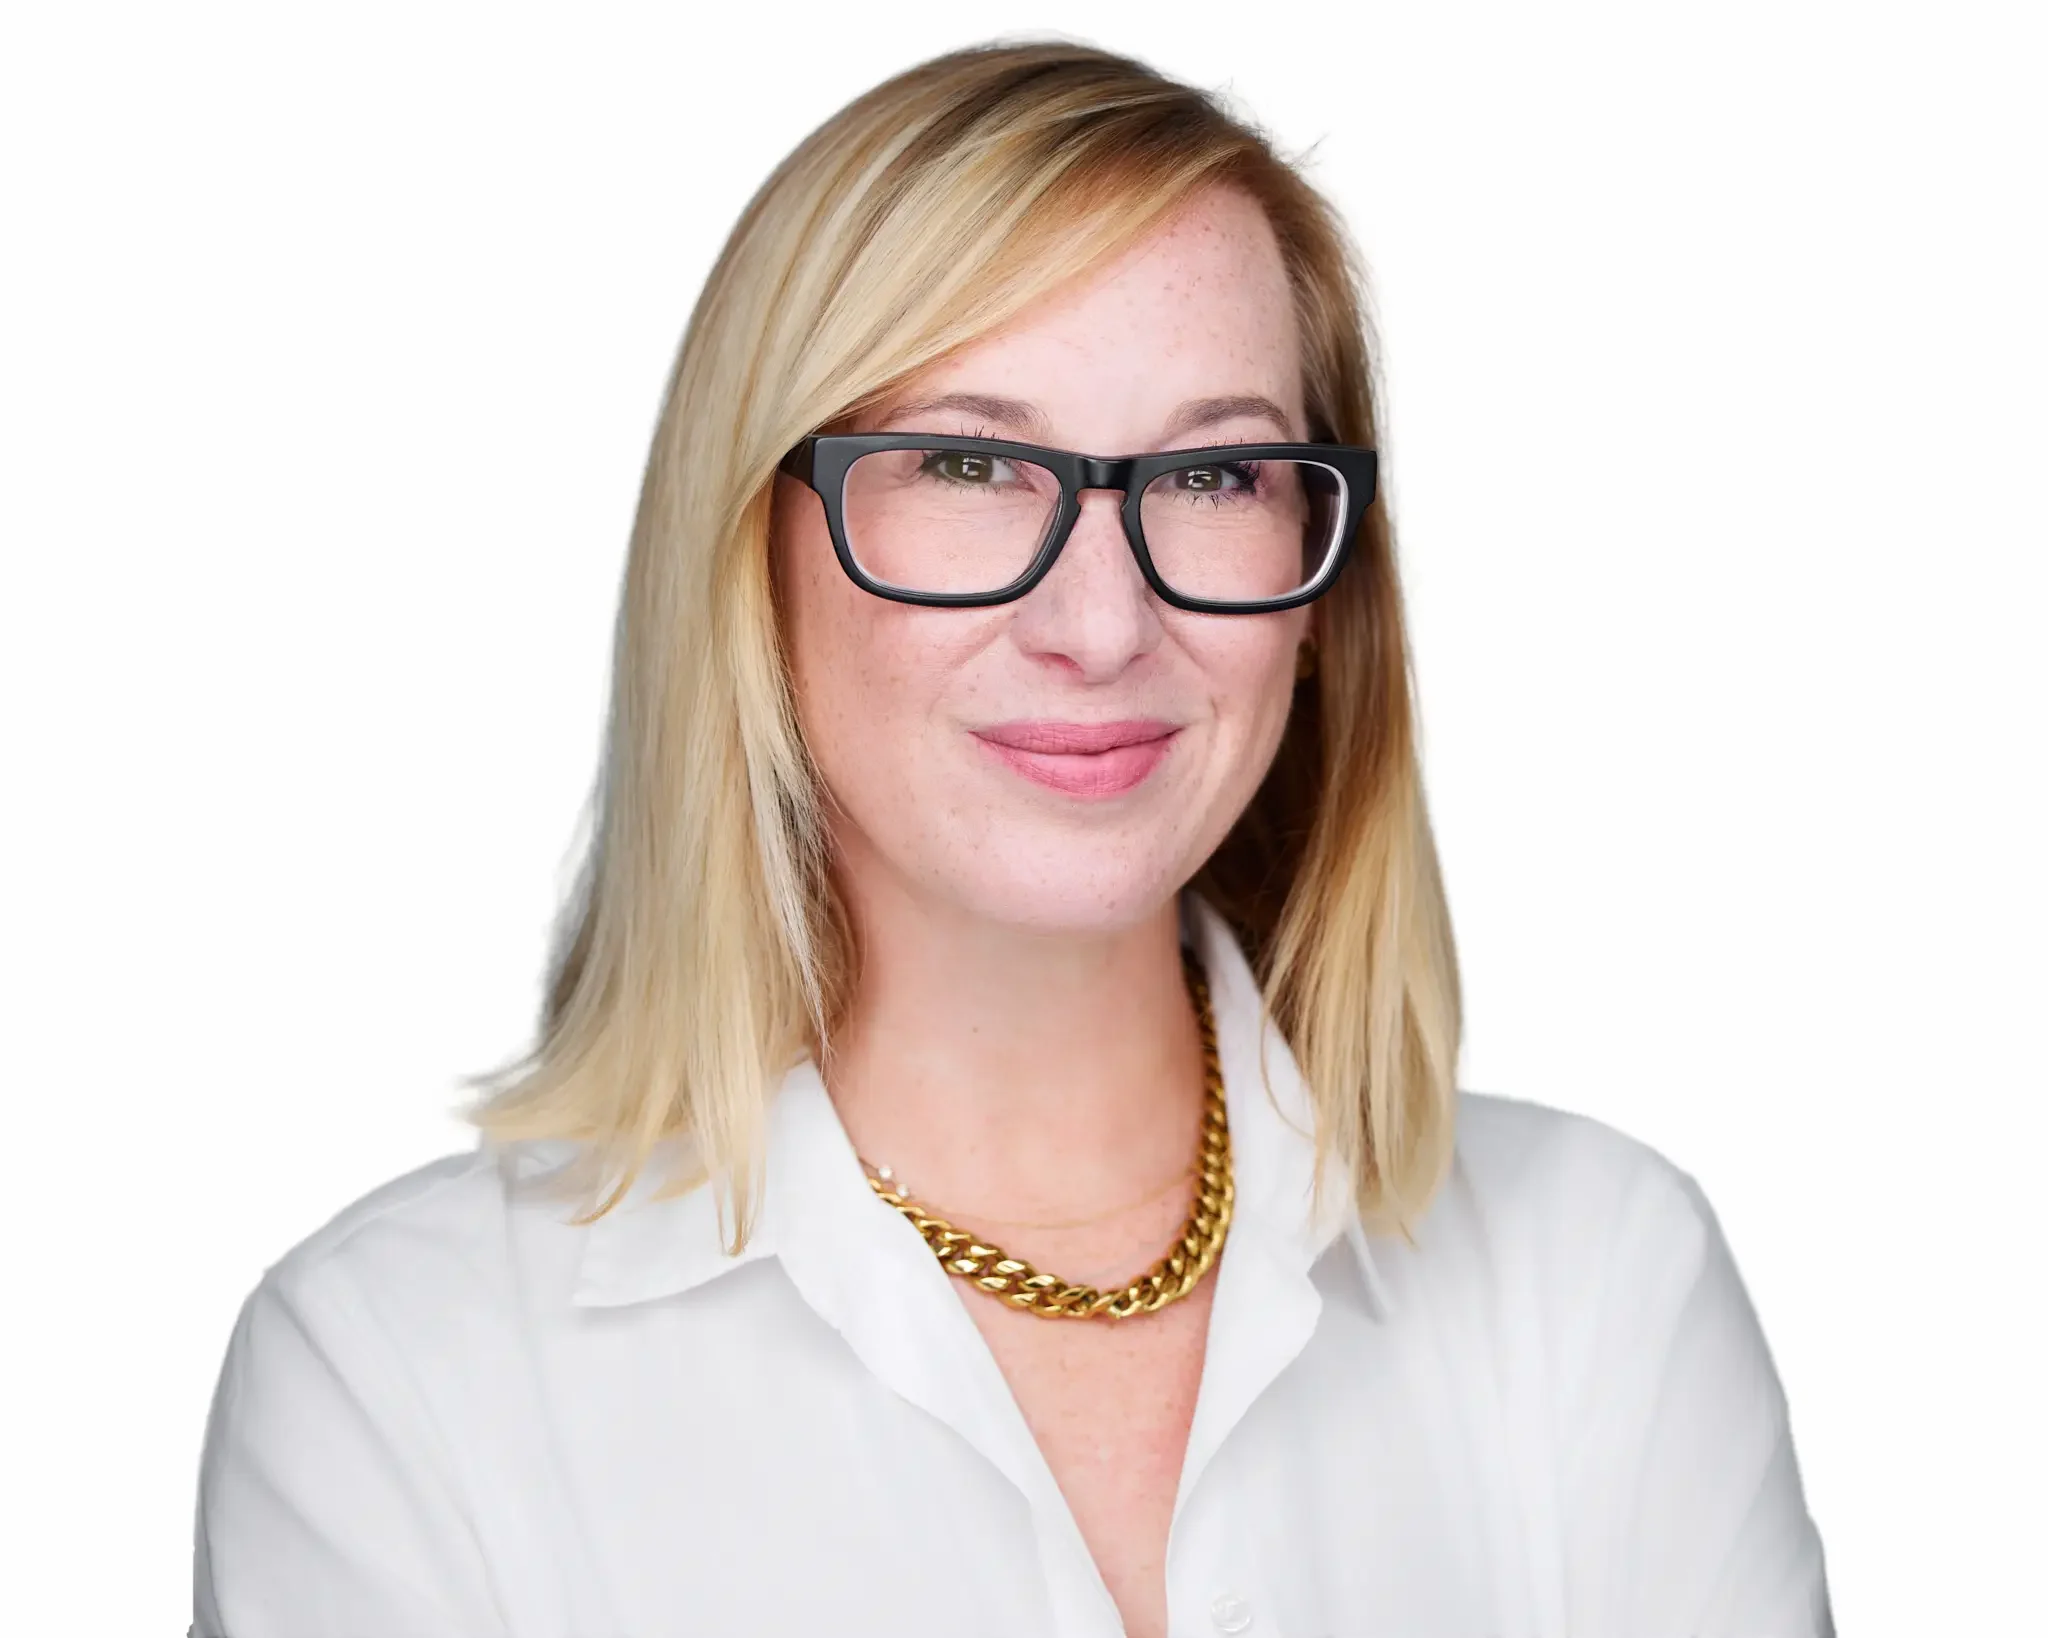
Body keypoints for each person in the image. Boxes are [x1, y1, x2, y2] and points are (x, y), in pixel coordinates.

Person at [189, 39, 1834, 1638]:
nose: (1103, 620)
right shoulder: (398, 1377)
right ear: (753, 551)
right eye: (972, 460)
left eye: (1216, 473)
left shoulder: (1601, 1280)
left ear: (1324, 595)